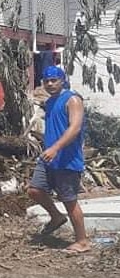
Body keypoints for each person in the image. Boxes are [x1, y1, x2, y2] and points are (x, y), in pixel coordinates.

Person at [27, 66, 90, 254]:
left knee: (69, 200)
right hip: (49, 158)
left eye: (54, 80)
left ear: (62, 80)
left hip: (67, 159)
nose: (50, 83)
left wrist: (55, 148)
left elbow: (75, 128)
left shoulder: (72, 99)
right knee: (34, 190)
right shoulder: (51, 101)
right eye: (47, 80)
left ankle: (82, 241)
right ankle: (56, 217)